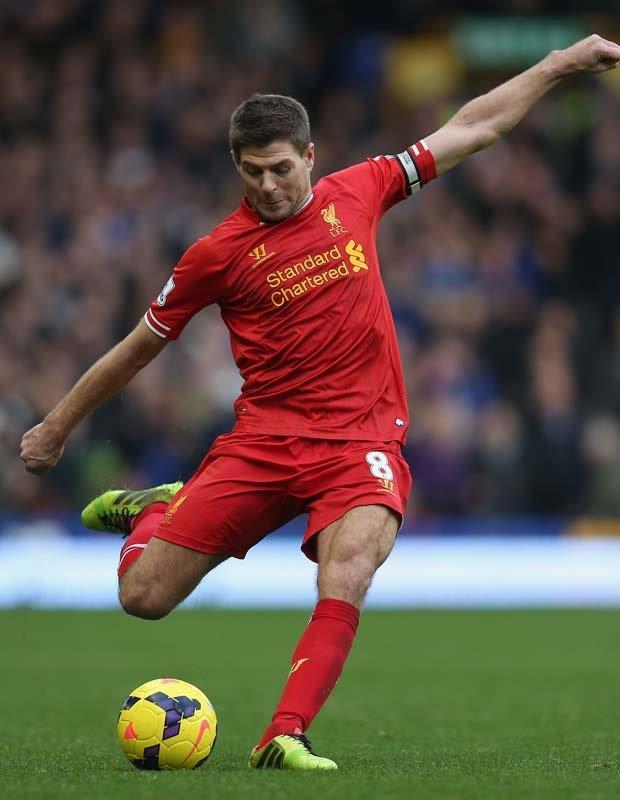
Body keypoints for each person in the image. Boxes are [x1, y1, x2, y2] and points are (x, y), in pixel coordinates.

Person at [20, 35, 620, 771]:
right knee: (142, 596)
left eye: (281, 169)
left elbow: (475, 127)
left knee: (349, 570)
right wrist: (56, 425)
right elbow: (138, 347)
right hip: (265, 442)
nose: (269, 187)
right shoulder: (215, 254)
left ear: (310, 156)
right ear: (235, 168)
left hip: (359, 441)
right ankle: (154, 510)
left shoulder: (360, 190)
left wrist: (558, 65)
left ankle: (285, 732)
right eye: (252, 173)